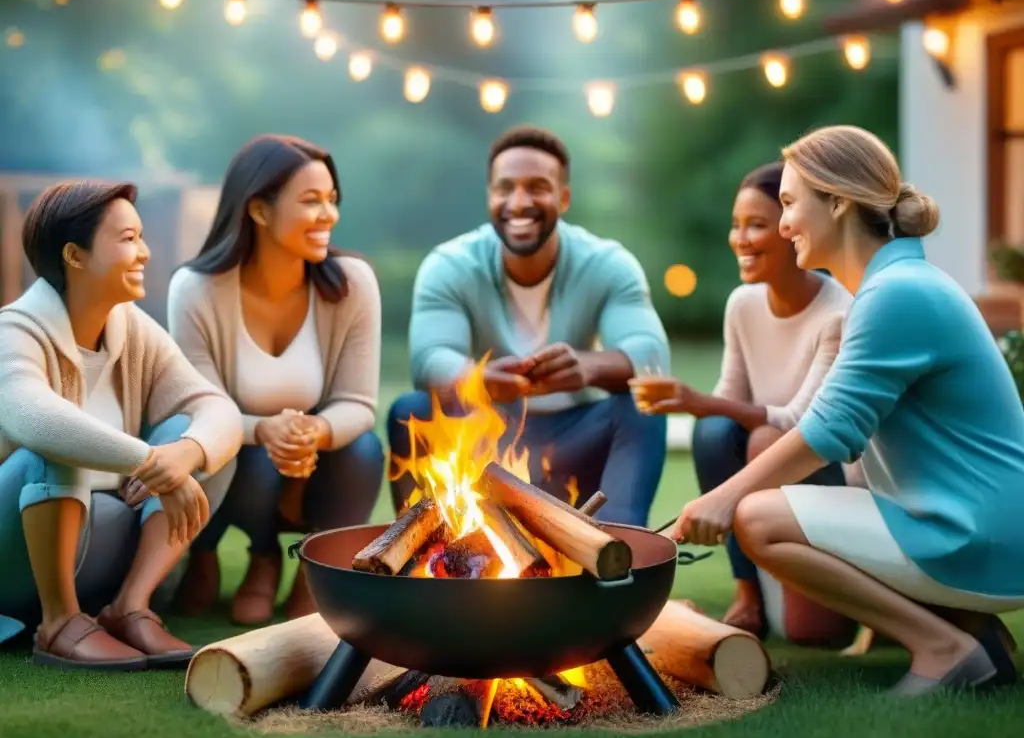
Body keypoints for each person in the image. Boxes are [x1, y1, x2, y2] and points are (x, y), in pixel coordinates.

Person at [670, 124, 1024, 696]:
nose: (783, 225)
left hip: (978, 534)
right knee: (805, 505)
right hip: (976, 523)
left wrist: (725, 497)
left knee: (758, 518)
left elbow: (829, 433)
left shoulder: (896, 295)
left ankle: (943, 649)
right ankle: (972, 631)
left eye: (788, 204)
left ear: (837, 201)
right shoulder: (898, 286)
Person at [0, 181, 243, 670]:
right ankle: (58, 623)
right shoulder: (15, 329)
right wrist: (152, 462)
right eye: (128, 238)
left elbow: (219, 410)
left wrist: (186, 454)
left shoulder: (130, 327)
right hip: (14, 560)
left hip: (101, 553)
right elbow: (34, 418)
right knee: (55, 443)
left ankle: (130, 605)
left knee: (198, 438)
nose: (145, 252)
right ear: (75, 255)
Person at [387, 124, 670, 527]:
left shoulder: (608, 263)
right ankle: (424, 560)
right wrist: (478, 379)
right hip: (485, 445)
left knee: (642, 406)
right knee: (411, 410)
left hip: (575, 443)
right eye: (505, 188)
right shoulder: (449, 265)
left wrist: (586, 368)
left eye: (537, 187)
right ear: (490, 196)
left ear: (564, 197)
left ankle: (621, 554)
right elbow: (428, 360)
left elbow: (651, 356)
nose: (518, 203)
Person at [632, 161, 855, 642]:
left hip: (821, 468)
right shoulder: (743, 304)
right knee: (713, 432)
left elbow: (802, 421)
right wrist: (696, 405)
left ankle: (833, 587)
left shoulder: (838, 312)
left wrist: (698, 401)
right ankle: (746, 593)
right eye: (736, 225)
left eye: (756, 224)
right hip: (760, 461)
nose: (740, 238)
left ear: (794, 229)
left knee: (814, 635)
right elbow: (728, 404)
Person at [167, 134, 385, 626]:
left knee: (364, 449)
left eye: (332, 200)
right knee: (245, 455)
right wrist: (263, 430)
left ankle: (317, 571)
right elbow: (194, 407)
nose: (328, 214)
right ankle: (250, 557)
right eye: (310, 201)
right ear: (259, 211)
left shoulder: (352, 284)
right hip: (234, 466)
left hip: (312, 467)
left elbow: (356, 402)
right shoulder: (195, 289)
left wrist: (315, 431)